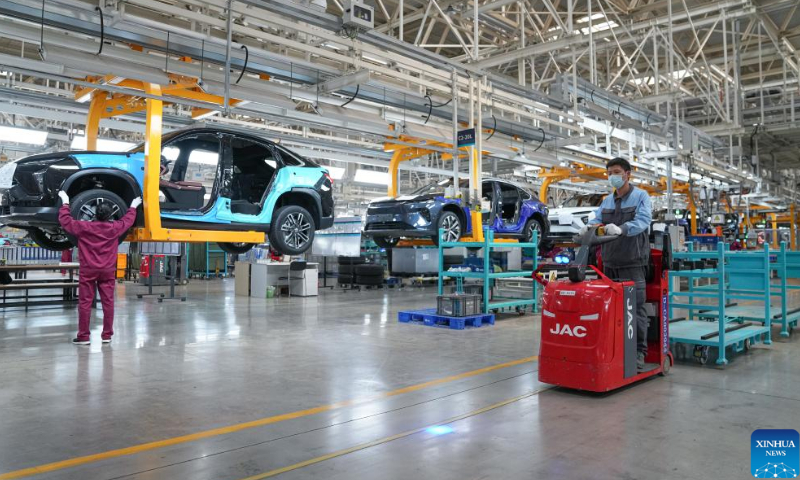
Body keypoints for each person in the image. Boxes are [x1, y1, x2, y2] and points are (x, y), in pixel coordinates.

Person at [585, 157, 652, 371]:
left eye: (616, 171)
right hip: (609, 263)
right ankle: (615, 351)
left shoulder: (641, 196)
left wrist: (622, 229)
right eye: (609, 173)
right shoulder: (607, 201)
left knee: (635, 310)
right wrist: (589, 228)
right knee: (611, 311)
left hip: (632, 262)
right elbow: (596, 219)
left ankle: (639, 353)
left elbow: (643, 221)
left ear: (627, 174)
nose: (612, 176)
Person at [57, 191, 141, 345]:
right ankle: (107, 335)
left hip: (88, 270)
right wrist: (133, 206)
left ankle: (83, 337)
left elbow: (65, 220)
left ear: (95, 213)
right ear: (110, 215)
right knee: (108, 302)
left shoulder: (84, 227)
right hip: (107, 271)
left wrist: (66, 202)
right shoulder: (115, 227)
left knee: (85, 303)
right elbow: (127, 221)